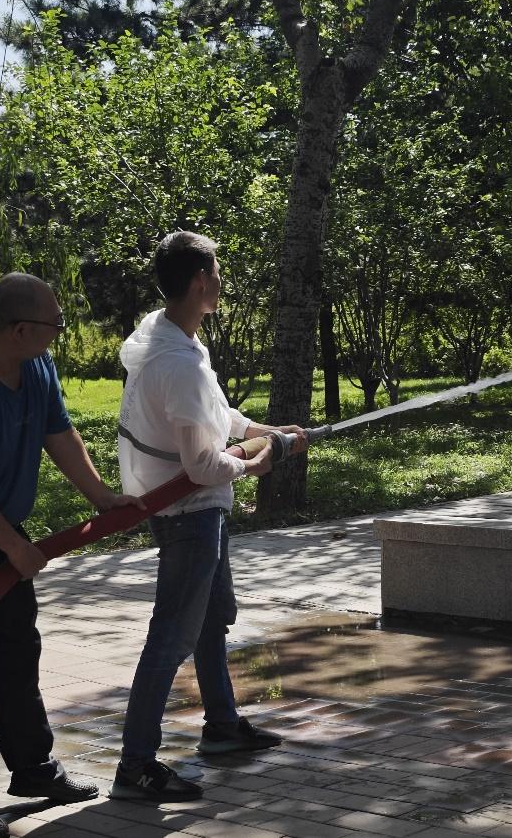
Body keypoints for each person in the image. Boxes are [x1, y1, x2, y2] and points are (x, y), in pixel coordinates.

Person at [0, 273, 144, 838]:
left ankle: (34, 769)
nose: (59, 331)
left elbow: (59, 435)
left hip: (0, 528)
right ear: (19, 329)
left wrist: (102, 498)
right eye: (53, 324)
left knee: (15, 653)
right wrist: (16, 548)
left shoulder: (35, 367)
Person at [111, 231, 306, 802]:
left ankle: (221, 726)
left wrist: (265, 431)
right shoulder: (178, 362)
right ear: (200, 282)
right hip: (188, 513)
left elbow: (216, 415)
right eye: (217, 272)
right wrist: (257, 464)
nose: (221, 281)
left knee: (212, 618)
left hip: (196, 511)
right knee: (171, 637)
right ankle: (135, 765)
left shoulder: (171, 337)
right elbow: (201, 465)